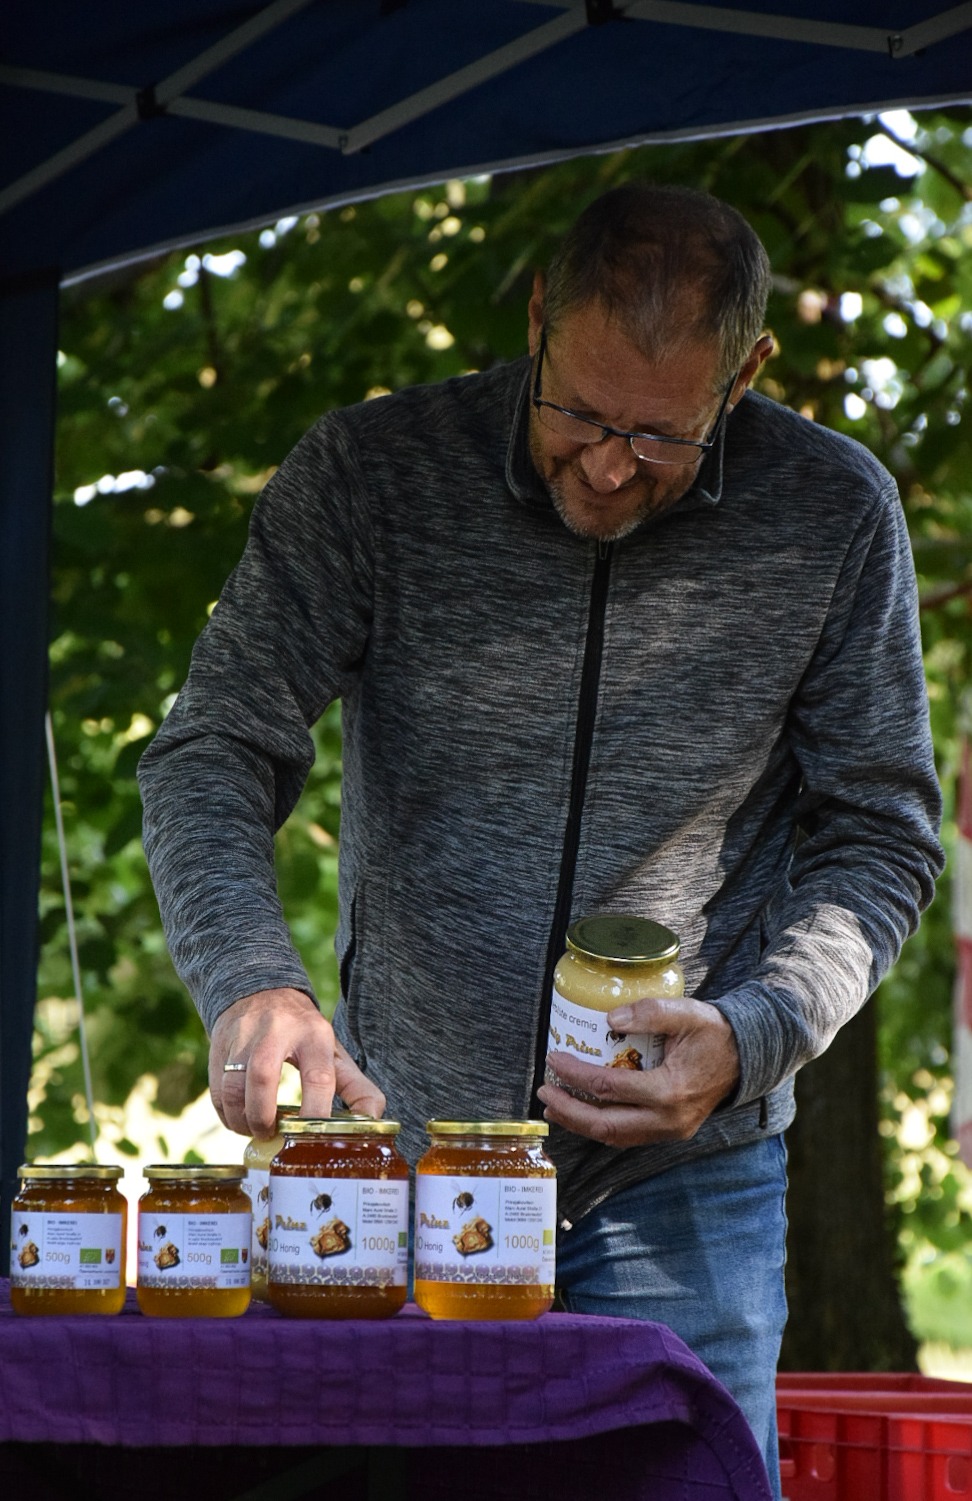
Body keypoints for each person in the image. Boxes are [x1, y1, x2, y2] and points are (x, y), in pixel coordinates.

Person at [138, 181, 944, 1498]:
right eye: (577, 412)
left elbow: (882, 837)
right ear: (534, 320)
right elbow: (214, 746)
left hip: (684, 1187)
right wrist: (250, 979)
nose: (611, 466)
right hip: (406, 1164)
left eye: (661, 433)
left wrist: (755, 1035)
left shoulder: (835, 512)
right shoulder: (373, 474)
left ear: (745, 374)